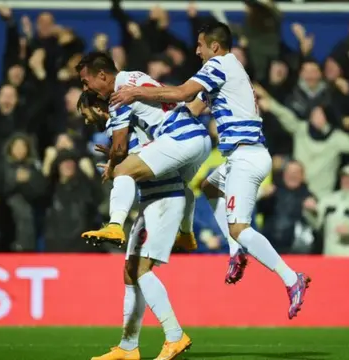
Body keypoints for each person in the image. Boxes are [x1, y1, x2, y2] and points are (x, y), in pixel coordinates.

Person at [111, 22, 310, 319]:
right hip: (240, 156)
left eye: (201, 45)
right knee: (209, 186)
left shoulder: (219, 65)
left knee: (240, 228)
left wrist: (136, 93)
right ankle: (236, 252)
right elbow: (190, 108)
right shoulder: (227, 74)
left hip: (246, 155)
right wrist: (155, 136)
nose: (197, 50)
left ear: (214, 47)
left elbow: (180, 93)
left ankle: (292, 279)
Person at [79, 93, 192, 360]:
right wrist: (117, 158)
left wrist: (117, 159)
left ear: (97, 107)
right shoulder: (126, 130)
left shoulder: (127, 121)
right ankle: (128, 346)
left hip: (165, 199)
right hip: (151, 200)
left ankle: (175, 336)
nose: (85, 120)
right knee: (130, 272)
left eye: (85, 113)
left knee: (141, 270)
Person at [76, 52, 211, 253]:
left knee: (123, 171)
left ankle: (114, 226)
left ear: (102, 75)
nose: (86, 89)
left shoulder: (119, 96)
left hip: (179, 140)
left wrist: (113, 163)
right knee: (180, 187)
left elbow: (120, 150)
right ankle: (185, 234)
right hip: (200, 137)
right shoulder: (136, 76)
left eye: (86, 82)